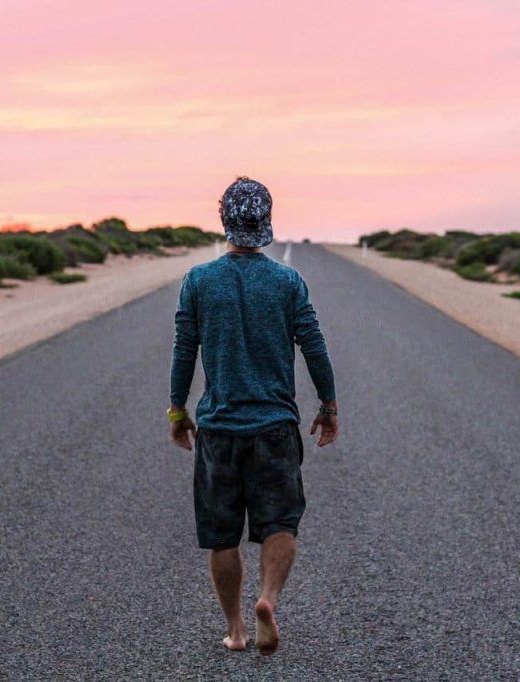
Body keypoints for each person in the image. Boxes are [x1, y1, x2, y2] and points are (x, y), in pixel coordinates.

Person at [168, 177, 338, 656]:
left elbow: (185, 348)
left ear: (224, 218)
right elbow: (314, 345)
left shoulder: (199, 280)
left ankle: (237, 629)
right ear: (266, 220)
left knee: (222, 535)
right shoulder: (287, 281)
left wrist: (178, 408)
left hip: (220, 428)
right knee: (280, 523)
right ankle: (268, 599)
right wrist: (327, 405)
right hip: (274, 428)